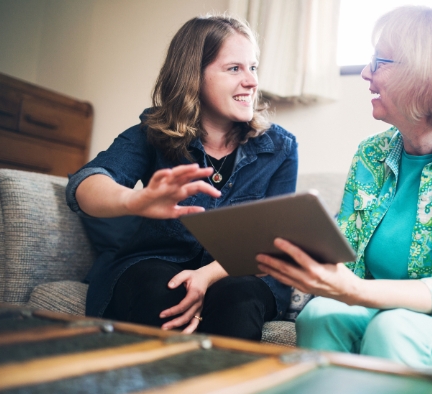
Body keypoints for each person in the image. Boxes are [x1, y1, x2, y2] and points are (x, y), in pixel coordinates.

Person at [256, 5, 432, 390]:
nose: (365, 73)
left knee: (394, 329)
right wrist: (298, 260)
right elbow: (346, 261)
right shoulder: (370, 154)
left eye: (379, 61)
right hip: (388, 312)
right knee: (319, 315)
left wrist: (356, 292)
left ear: (425, 74)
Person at [66, 14, 298, 341]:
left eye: (253, 67)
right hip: (157, 262)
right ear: (194, 75)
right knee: (160, 289)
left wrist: (207, 276)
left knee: (238, 297)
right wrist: (134, 200)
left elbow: (271, 242)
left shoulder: (280, 148)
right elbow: (85, 184)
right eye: (234, 68)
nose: (251, 81)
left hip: (242, 272)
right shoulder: (153, 133)